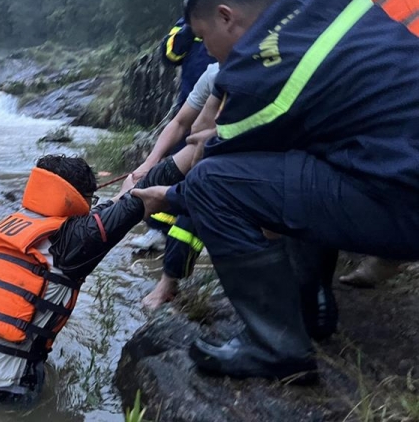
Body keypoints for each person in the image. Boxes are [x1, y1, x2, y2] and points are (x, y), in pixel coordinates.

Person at [133, 0, 419, 381]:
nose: (208, 51)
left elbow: (213, 174)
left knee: (212, 183)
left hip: (402, 202)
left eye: (204, 38)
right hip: (394, 164)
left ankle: (276, 348)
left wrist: (165, 196)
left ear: (225, 15)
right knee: (294, 160)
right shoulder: (321, 7)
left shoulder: (260, 73)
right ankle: (312, 307)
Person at [0, 155, 172, 401]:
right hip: (0, 385)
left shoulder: (9, 225)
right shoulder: (76, 241)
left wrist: (120, 196)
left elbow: (95, 221)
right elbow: (129, 206)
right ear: (80, 201)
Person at [126, 63, 221, 309]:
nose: (207, 48)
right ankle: (168, 283)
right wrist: (149, 162)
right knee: (185, 212)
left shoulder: (262, 64)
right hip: (205, 158)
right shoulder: (213, 71)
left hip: (250, 160)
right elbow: (182, 123)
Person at [128, 20, 217, 251]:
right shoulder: (188, 22)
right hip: (191, 103)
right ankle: (159, 231)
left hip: (227, 104)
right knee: (176, 169)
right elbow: (171, 55)